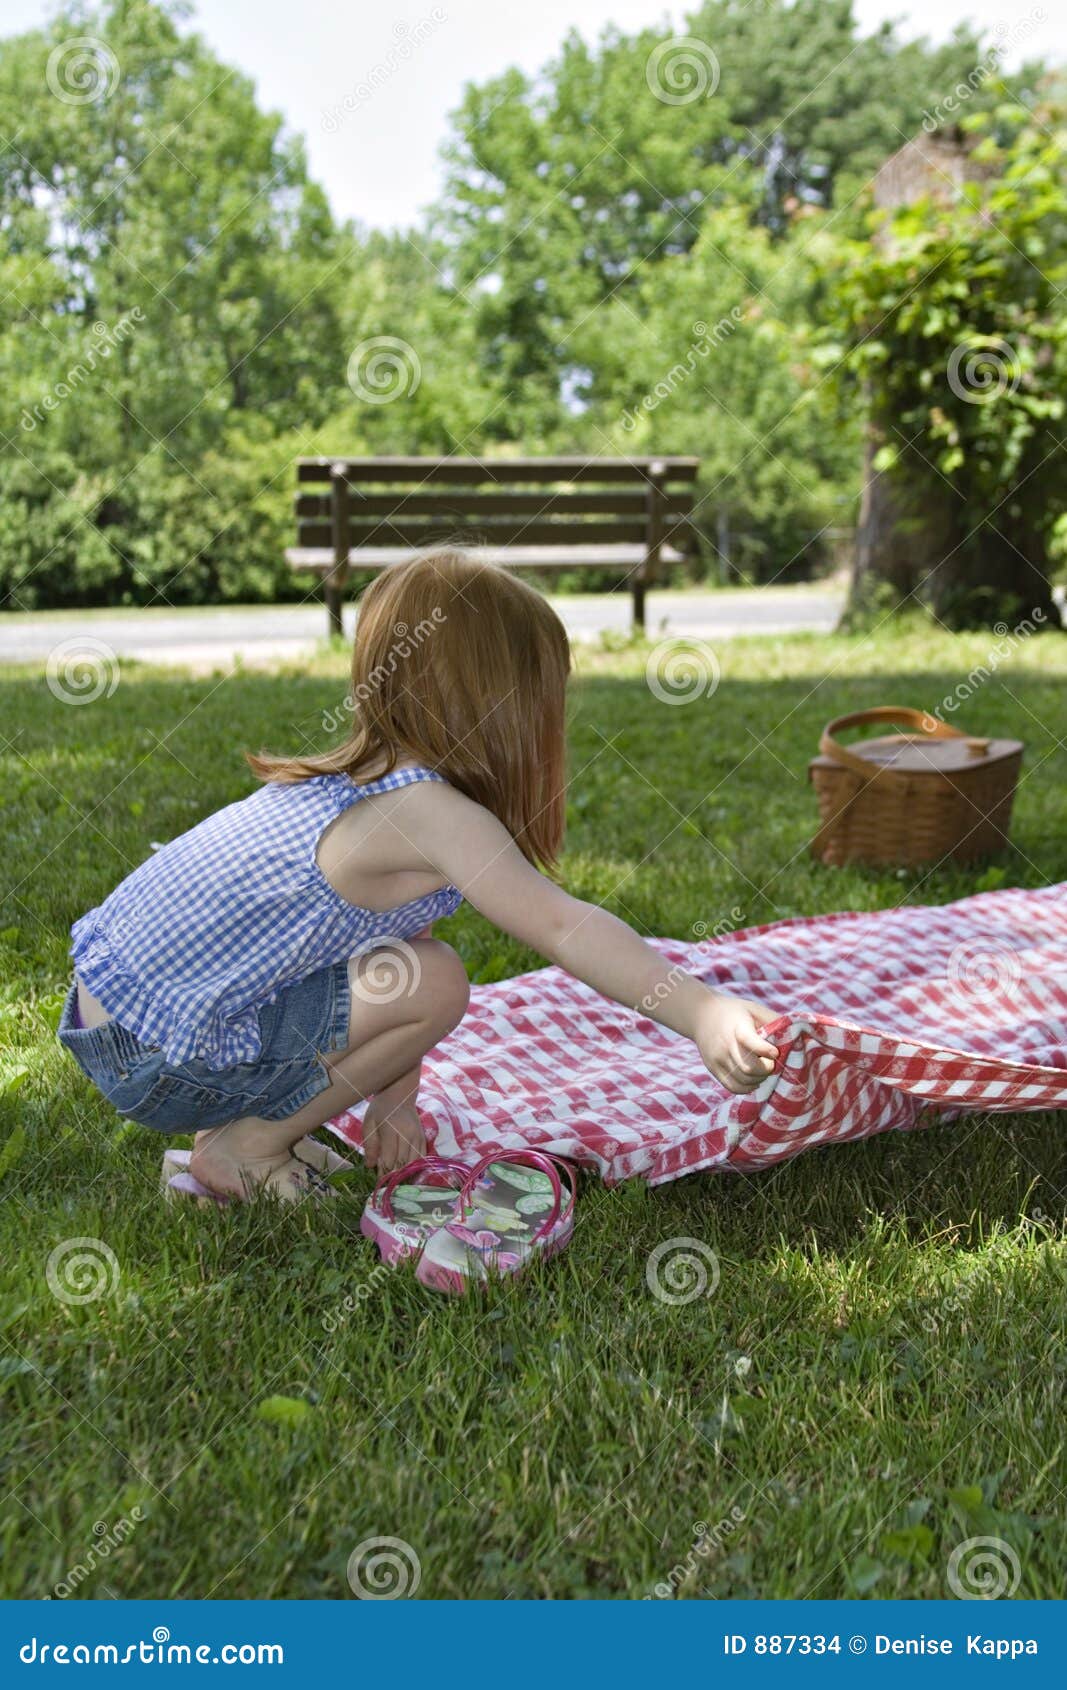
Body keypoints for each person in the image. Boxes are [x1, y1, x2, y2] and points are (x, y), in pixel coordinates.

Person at [58, 550, 778, 1201]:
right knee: (438, 981)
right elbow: (563, 925)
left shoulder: (364, 781)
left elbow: (390, 944)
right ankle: (243, 1148)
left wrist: (395, 1098)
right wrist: (700, 1011)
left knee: (416, 968)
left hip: (119, 1022)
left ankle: (246, 1126)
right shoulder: (433, 815)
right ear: (509, 708)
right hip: (159, 1055)